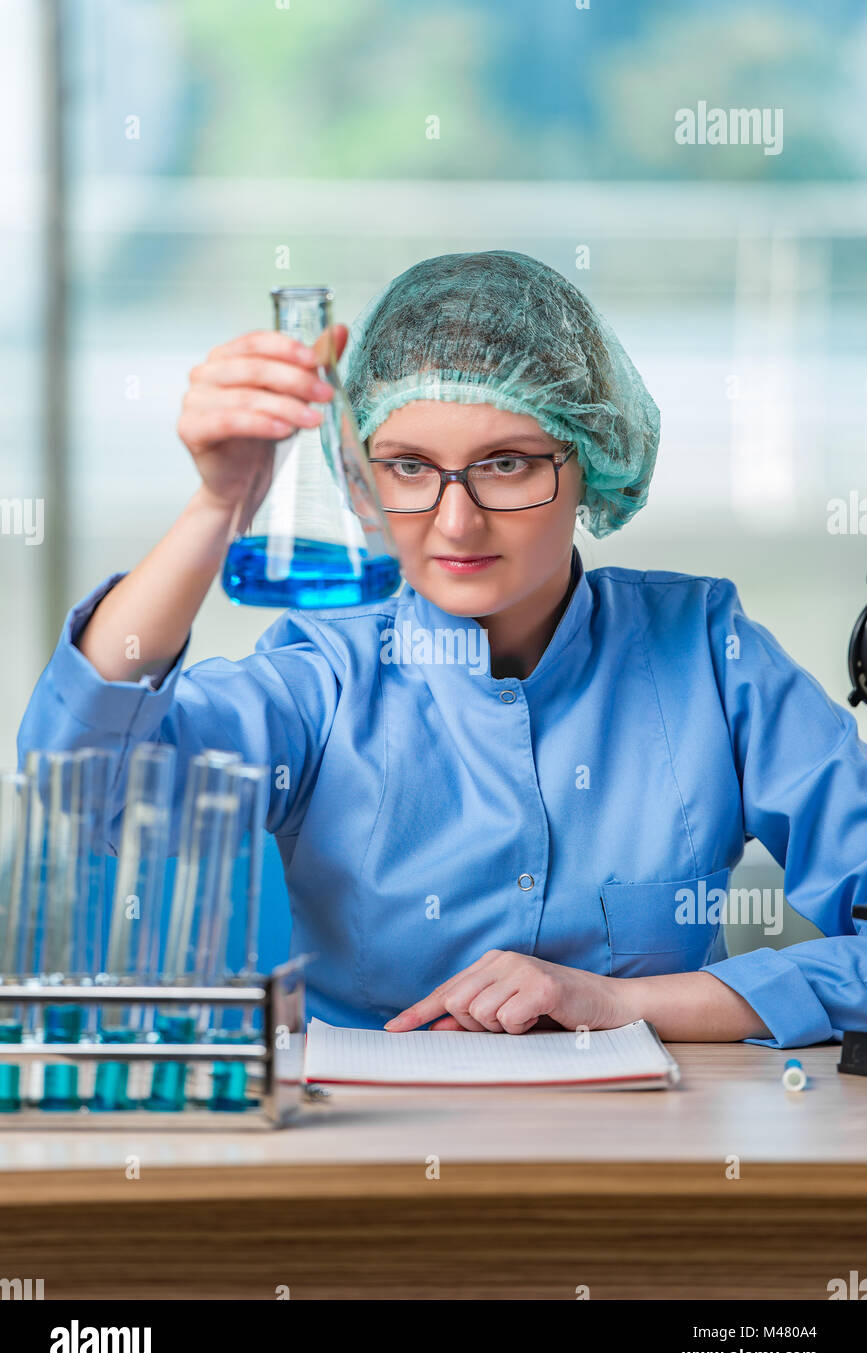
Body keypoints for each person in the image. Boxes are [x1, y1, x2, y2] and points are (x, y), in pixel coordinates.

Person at [17, 250, 867, 1044]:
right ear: (359, 473)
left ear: (593, 461)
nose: (454, 522)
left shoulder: (708, 658)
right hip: (362, 1169)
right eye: (409, 467)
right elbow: (82, 787)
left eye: (505, 464)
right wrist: (218, 503)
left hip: (646, 1173)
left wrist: (615, 1002)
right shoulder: (325, 674)